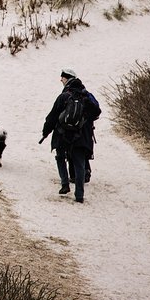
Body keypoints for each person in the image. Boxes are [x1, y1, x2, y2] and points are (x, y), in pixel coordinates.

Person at [42, 68, 102, 203]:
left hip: (62, 134)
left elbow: (52, 116)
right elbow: (97, 112)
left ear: (67, 79)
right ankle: (79, 194)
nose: (61, 80)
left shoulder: (64, 96)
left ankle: (65, 184)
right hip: (81, 136)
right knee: (79, 163)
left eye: (62, 78)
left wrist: (46, 131)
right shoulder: (87, 95)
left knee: (60, 157)